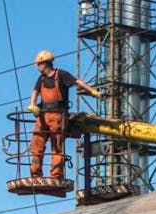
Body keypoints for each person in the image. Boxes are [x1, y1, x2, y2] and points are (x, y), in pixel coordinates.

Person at [27, 50, 102, 181]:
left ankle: (56, 175)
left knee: (56, 146)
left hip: (57, 116)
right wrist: (32, 104)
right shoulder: (42, 78)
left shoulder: (61, 74)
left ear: (45, 63)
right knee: (36, 143)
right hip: (43, 115)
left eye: (39, 64)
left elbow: (77, 82)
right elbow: (35, 92)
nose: (37, 67)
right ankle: (35, 174)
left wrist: (91, 91)